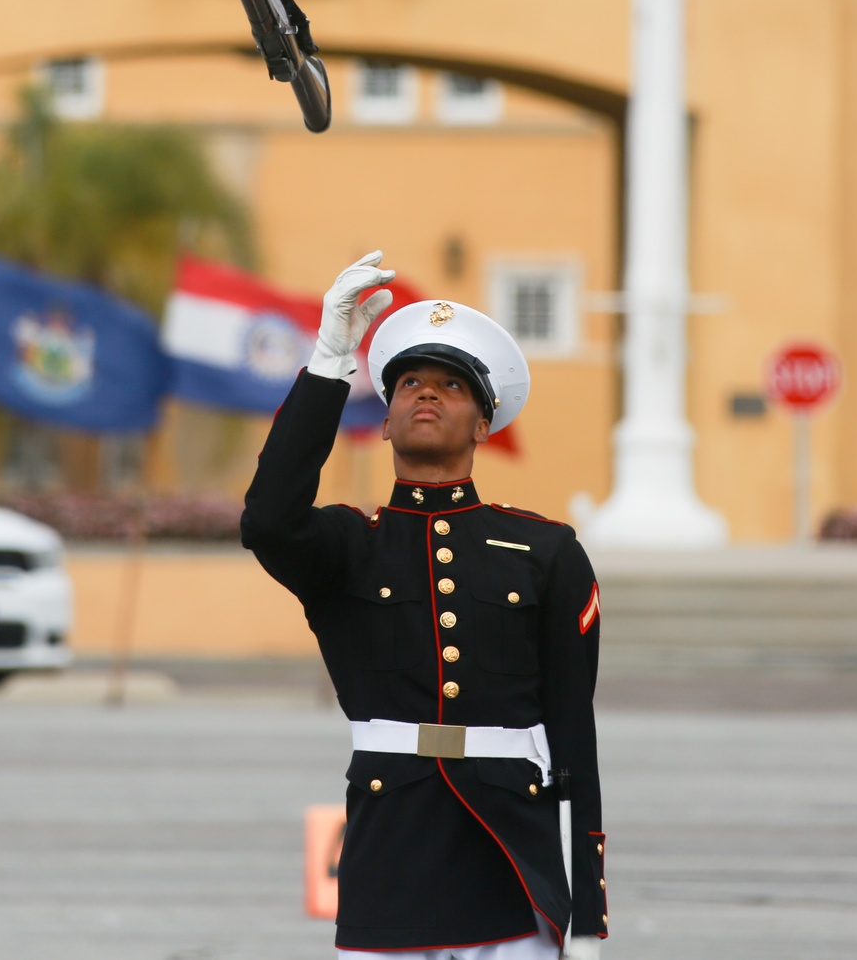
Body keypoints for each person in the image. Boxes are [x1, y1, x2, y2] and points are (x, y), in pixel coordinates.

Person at [241, 252, 607, 959]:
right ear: (382, 421)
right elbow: (268, 521)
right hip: (390, 866)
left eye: (450, 386)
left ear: (483, 425)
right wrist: (328, 361)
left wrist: (587, 915)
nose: (426, 395)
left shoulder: (546, 552)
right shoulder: (348, 546)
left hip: (510, 865)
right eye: (409, 383)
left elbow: (574, 741)